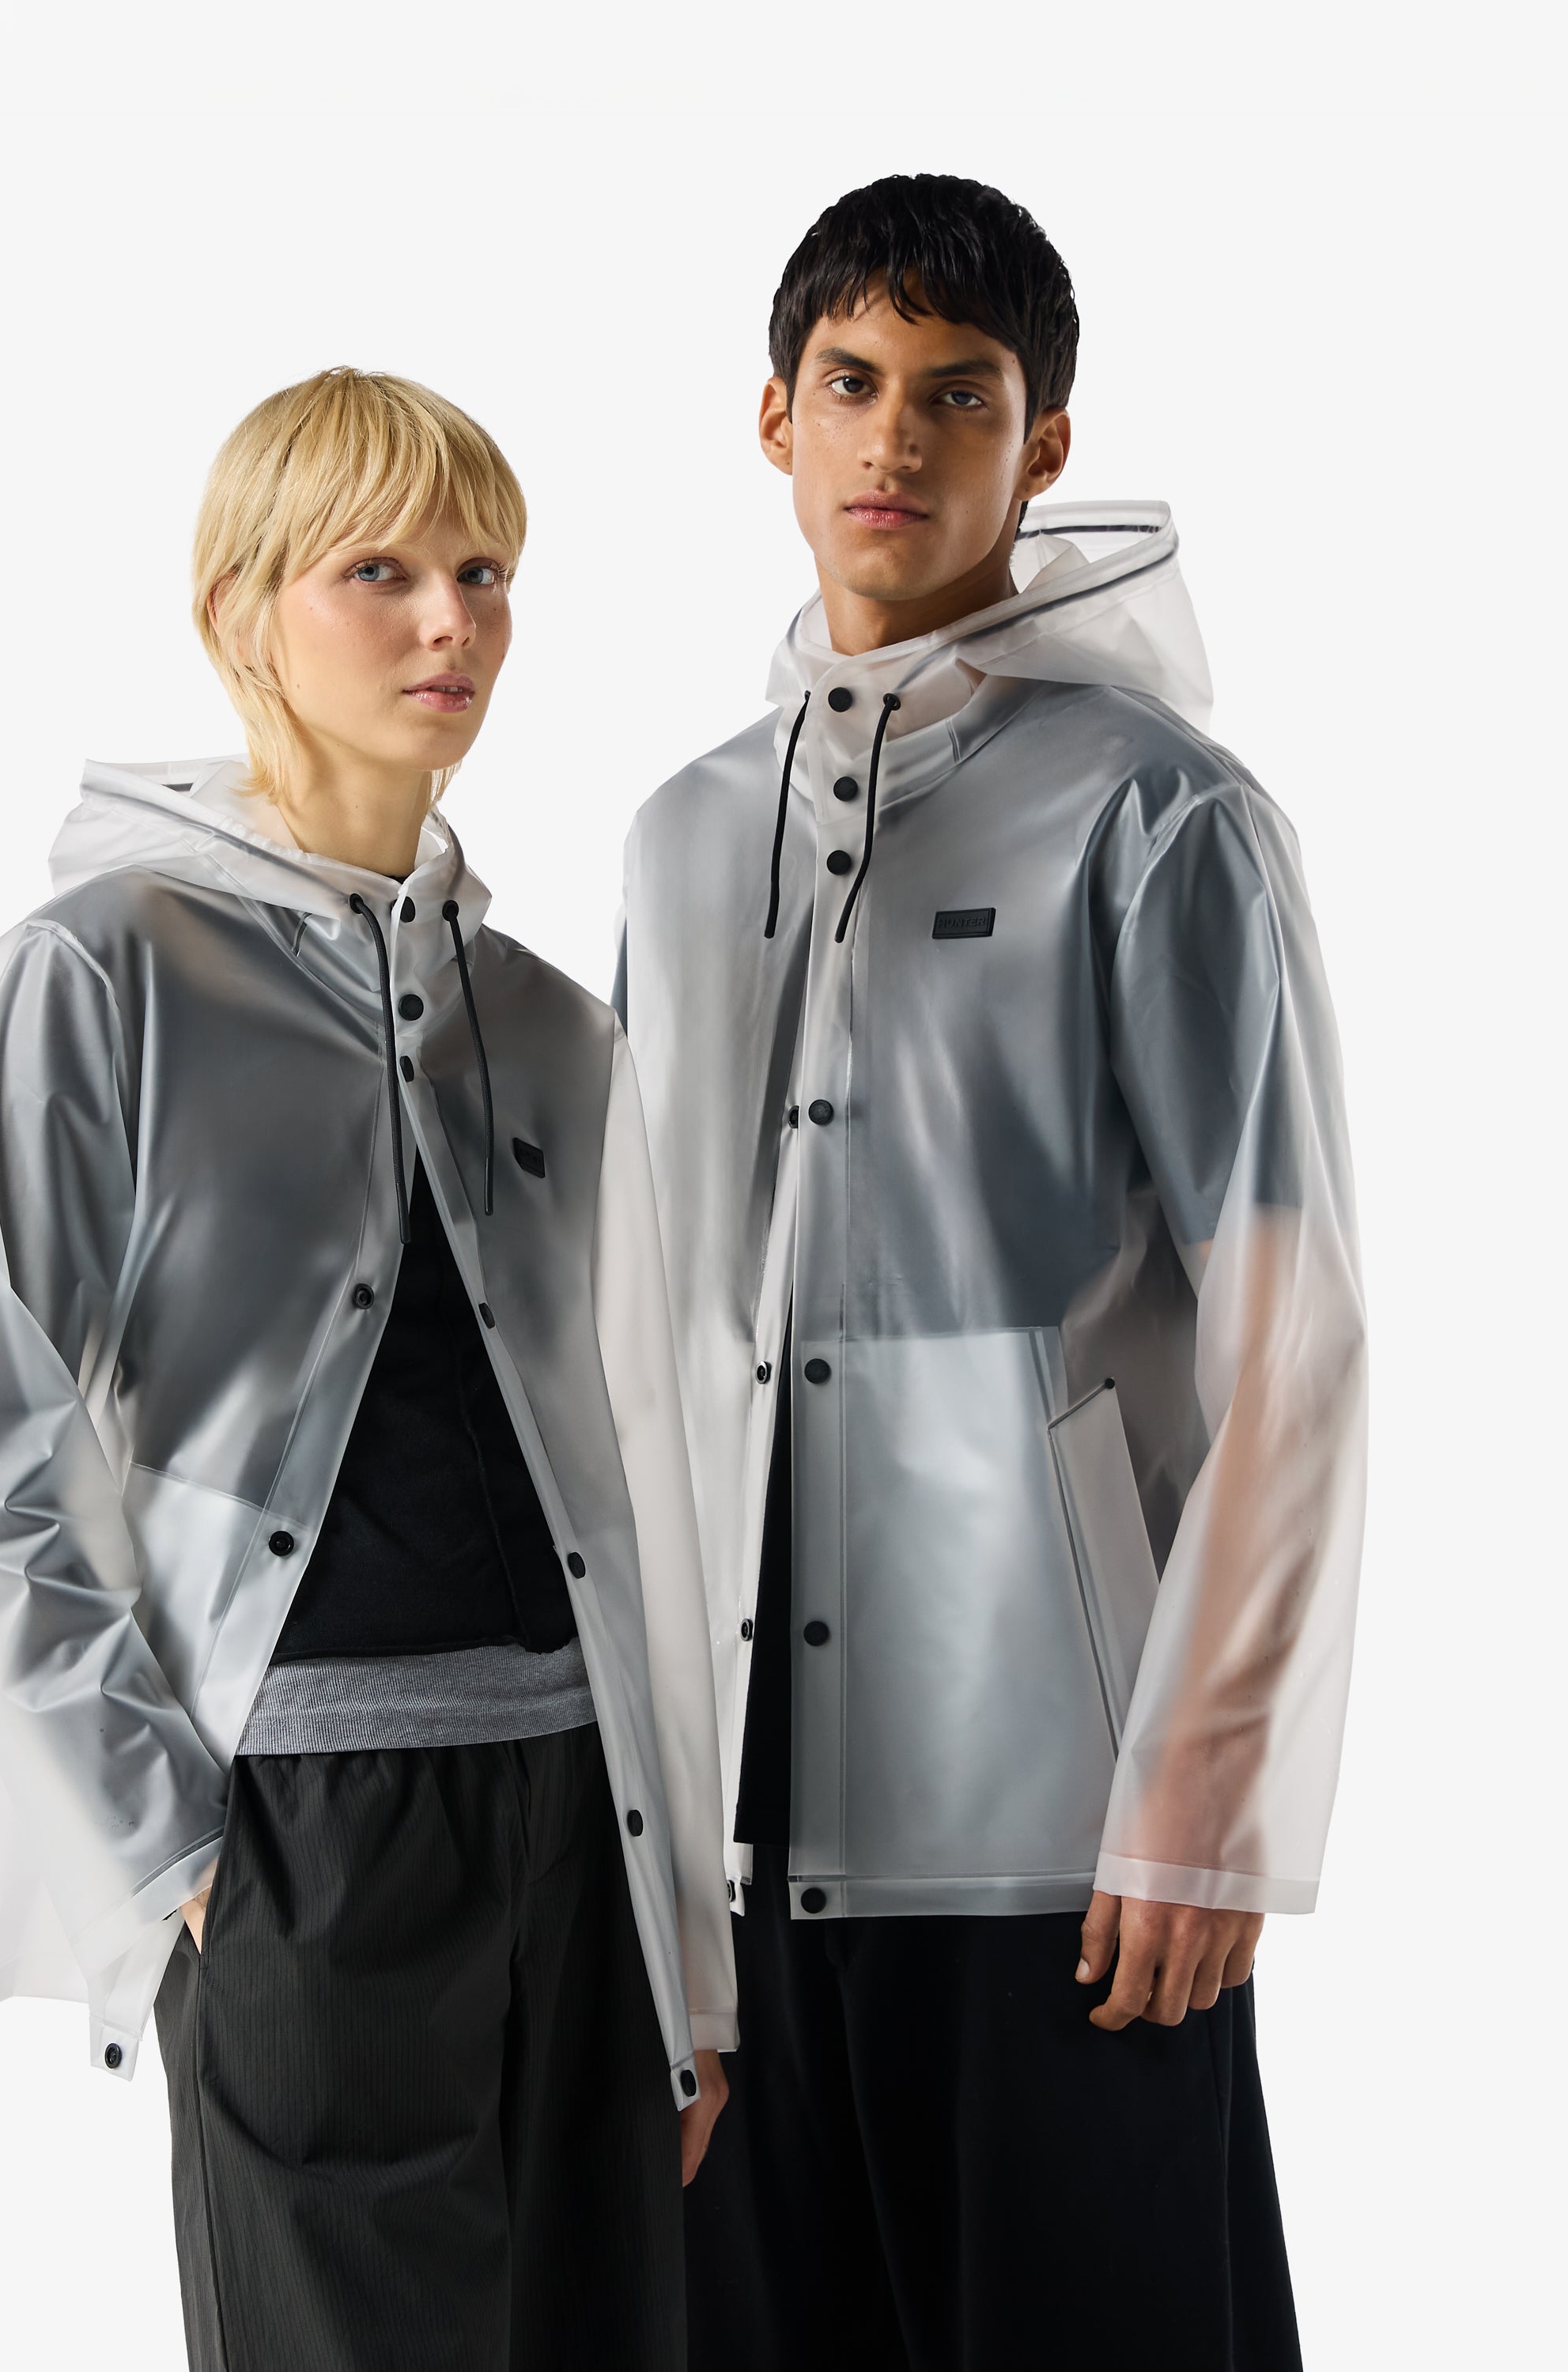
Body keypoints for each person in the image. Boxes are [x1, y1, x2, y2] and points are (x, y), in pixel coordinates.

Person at [0, 367, 735, 2372]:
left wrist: (688, 1959)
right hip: (306, 1837)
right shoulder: (94, 977)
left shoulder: (550, 1023)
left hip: (581, 1829)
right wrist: (180, 1860)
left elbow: (641, 1493)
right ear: (238, 610)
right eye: (382, 571)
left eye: (486, 573)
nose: (452, 623)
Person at [618, 176, 1366, 2371]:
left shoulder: (1157, 815)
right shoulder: (681, 832)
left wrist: (1203, 1799)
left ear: (1042, 446)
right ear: (774, 417)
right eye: (853, 383)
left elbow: (1293, 1334)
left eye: (959, 397)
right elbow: (641, 1339)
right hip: (733, 1839)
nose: (897, 440)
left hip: (1054, 1820)